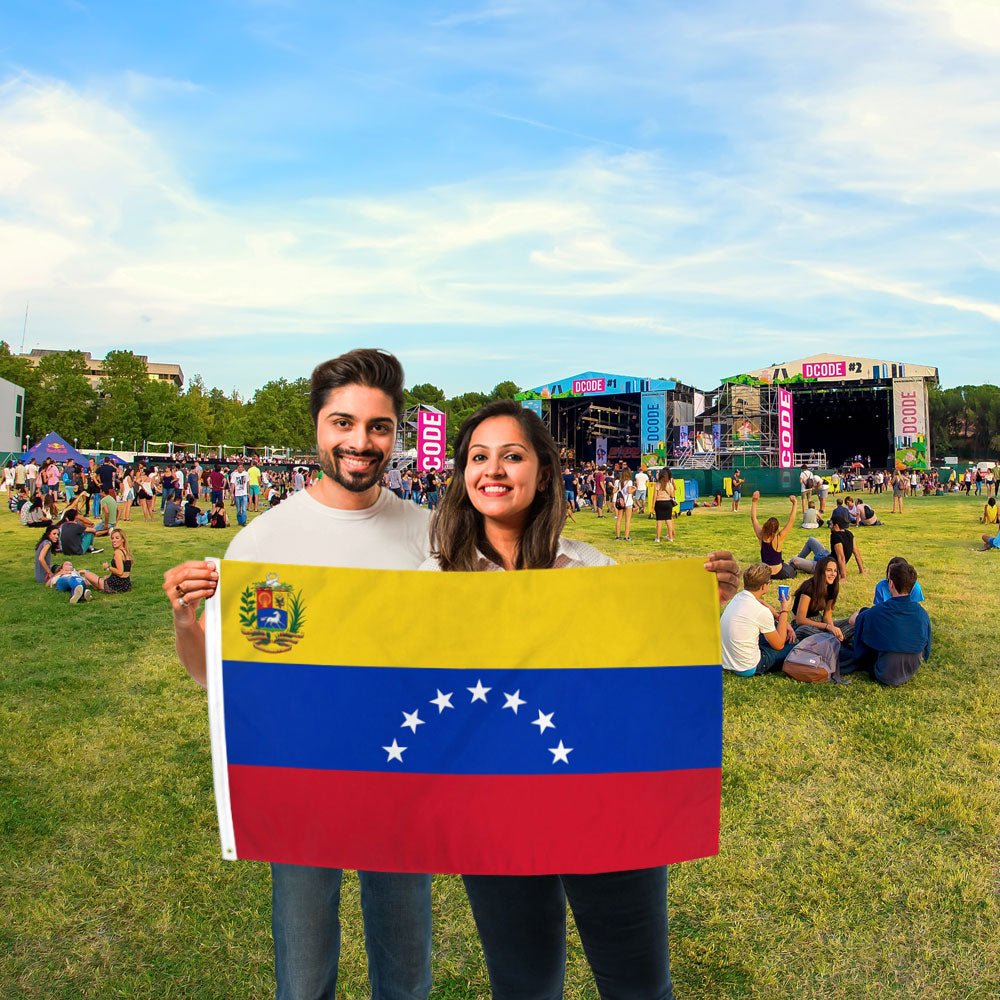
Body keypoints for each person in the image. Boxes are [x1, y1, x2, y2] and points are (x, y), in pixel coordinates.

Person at [423, 398, 738, 1000]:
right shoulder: (430, 583)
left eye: (512, 456)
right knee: (523, 988)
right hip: (495, 808)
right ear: (462, 474)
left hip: (602, 796)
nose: (494, 470)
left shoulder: (596, 571)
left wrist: (704, 608)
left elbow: (647, 676)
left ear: (541, 471)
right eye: (478, 457)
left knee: (639, 985)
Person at [163, 348, 434, 1000]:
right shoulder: (262, 543)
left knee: (406, 975)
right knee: (304, 977)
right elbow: (215, 680)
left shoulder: (432, 534)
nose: (360, 442)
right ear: (317, 427)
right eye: (343, 423)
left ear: (397, 433)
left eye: (378, 426)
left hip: (404, 776)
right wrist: (185, 623)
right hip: (301, 779)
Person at [846, 561, 931, 686]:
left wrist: (860, 612)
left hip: (884, 673)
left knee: (864, 619)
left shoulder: (879, 611)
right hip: (912, 668)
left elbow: (853, 621)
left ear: (891, 583)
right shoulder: (922, 613)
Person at [720, 562, 796, 676]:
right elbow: (779, 645)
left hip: (726, 661)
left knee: (772, 631)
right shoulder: (761, 612)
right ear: (763, 586)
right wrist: (784, 610)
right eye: (769, 582)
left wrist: (778, 617)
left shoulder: (738, 597)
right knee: (794, 646)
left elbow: (760, 602)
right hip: (747, 667)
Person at [749, 493, 828, 578]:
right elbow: (791, 520)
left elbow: (754, 519)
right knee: (792, 568)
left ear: (765, 526)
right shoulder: (778, 538)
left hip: (766, 573)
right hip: (779, 573)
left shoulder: (761, 535)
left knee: (787, 565)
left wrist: (754, 501)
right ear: (776, 529)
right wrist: (794, 504)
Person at [791, 556, 852, 641]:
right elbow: (800, 620)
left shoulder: (832, 588)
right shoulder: (809, 587)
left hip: (819, 622)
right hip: (803, 626)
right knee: (806, 630)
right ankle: (836, 640)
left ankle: (834, 639)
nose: (833, 574)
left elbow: (827, 616)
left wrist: (832, 629)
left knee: (852, 623)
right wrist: (827, 627)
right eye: (829, 570)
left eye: (835, 571)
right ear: (821, 572)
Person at [81, 528, 133, 594]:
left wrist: (108, 567)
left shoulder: (118, 552)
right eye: (112, 538)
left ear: (123, 540)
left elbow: (120, 572)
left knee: (85, 573)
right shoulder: (126, 551)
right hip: (126, 585)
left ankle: (74, 577)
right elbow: (126, 571)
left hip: (114, 585)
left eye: (117, 538)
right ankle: (86, 584)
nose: (114, 540)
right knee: (90, 581)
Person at [830, 514, 866, 580]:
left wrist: (843, 577)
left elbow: (841, 557)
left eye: (831, 524)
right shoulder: (849, 534)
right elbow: (856, 553)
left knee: (804, 563)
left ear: (836, 526)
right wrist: (862, 570)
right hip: (828, 558)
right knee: (812, 541)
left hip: (828, 565)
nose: (830, 526)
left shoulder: (835, 536)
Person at [653, 468, 676, 543]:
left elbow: (654, 496)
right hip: (668, 503)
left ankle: (658, 538)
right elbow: (672, 495)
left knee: (659, 521)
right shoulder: (670, 485)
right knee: (668, 520)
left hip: (659, 503)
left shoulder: (657, 485)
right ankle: (671, 537)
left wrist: (653, 506)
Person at [613, 468, 635, 542]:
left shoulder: (619, 482)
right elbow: (629, 491)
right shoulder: (629, 482)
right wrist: (635, 488)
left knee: (619, 519)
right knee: (627, 520)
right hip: (628, 502)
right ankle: (626, 537)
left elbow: (614, 491)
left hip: (620, 502)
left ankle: (618, 537)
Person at [231, 460, 250, 526]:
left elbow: (248, 483)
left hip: (244, 493)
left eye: (241, 467)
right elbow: (233, 484)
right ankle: (240, 521)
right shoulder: (234, 475)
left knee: (244, 508)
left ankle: (243, 521)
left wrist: (248, 492)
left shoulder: (246, 474)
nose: (240, 468)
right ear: (237, 468)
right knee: (238, 509)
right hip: (237, 494)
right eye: (239, 467)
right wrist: (232, 493)